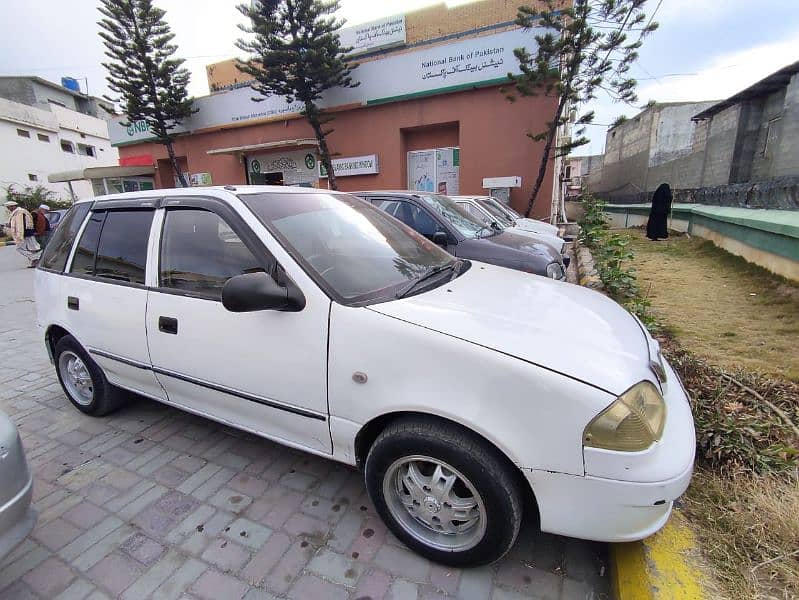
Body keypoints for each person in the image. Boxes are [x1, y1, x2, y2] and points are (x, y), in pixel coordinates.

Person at [4, 200, 41, 267]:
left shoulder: (19, 212)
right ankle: (35, 260)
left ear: (13, 206)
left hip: (25, 233)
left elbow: (20, 224)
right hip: (27, 233)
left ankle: (36, 259)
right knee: (33, 248)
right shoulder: (17, 212)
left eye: (9, 207)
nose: (8, 209)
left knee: (21, 248)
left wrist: (19, 235)